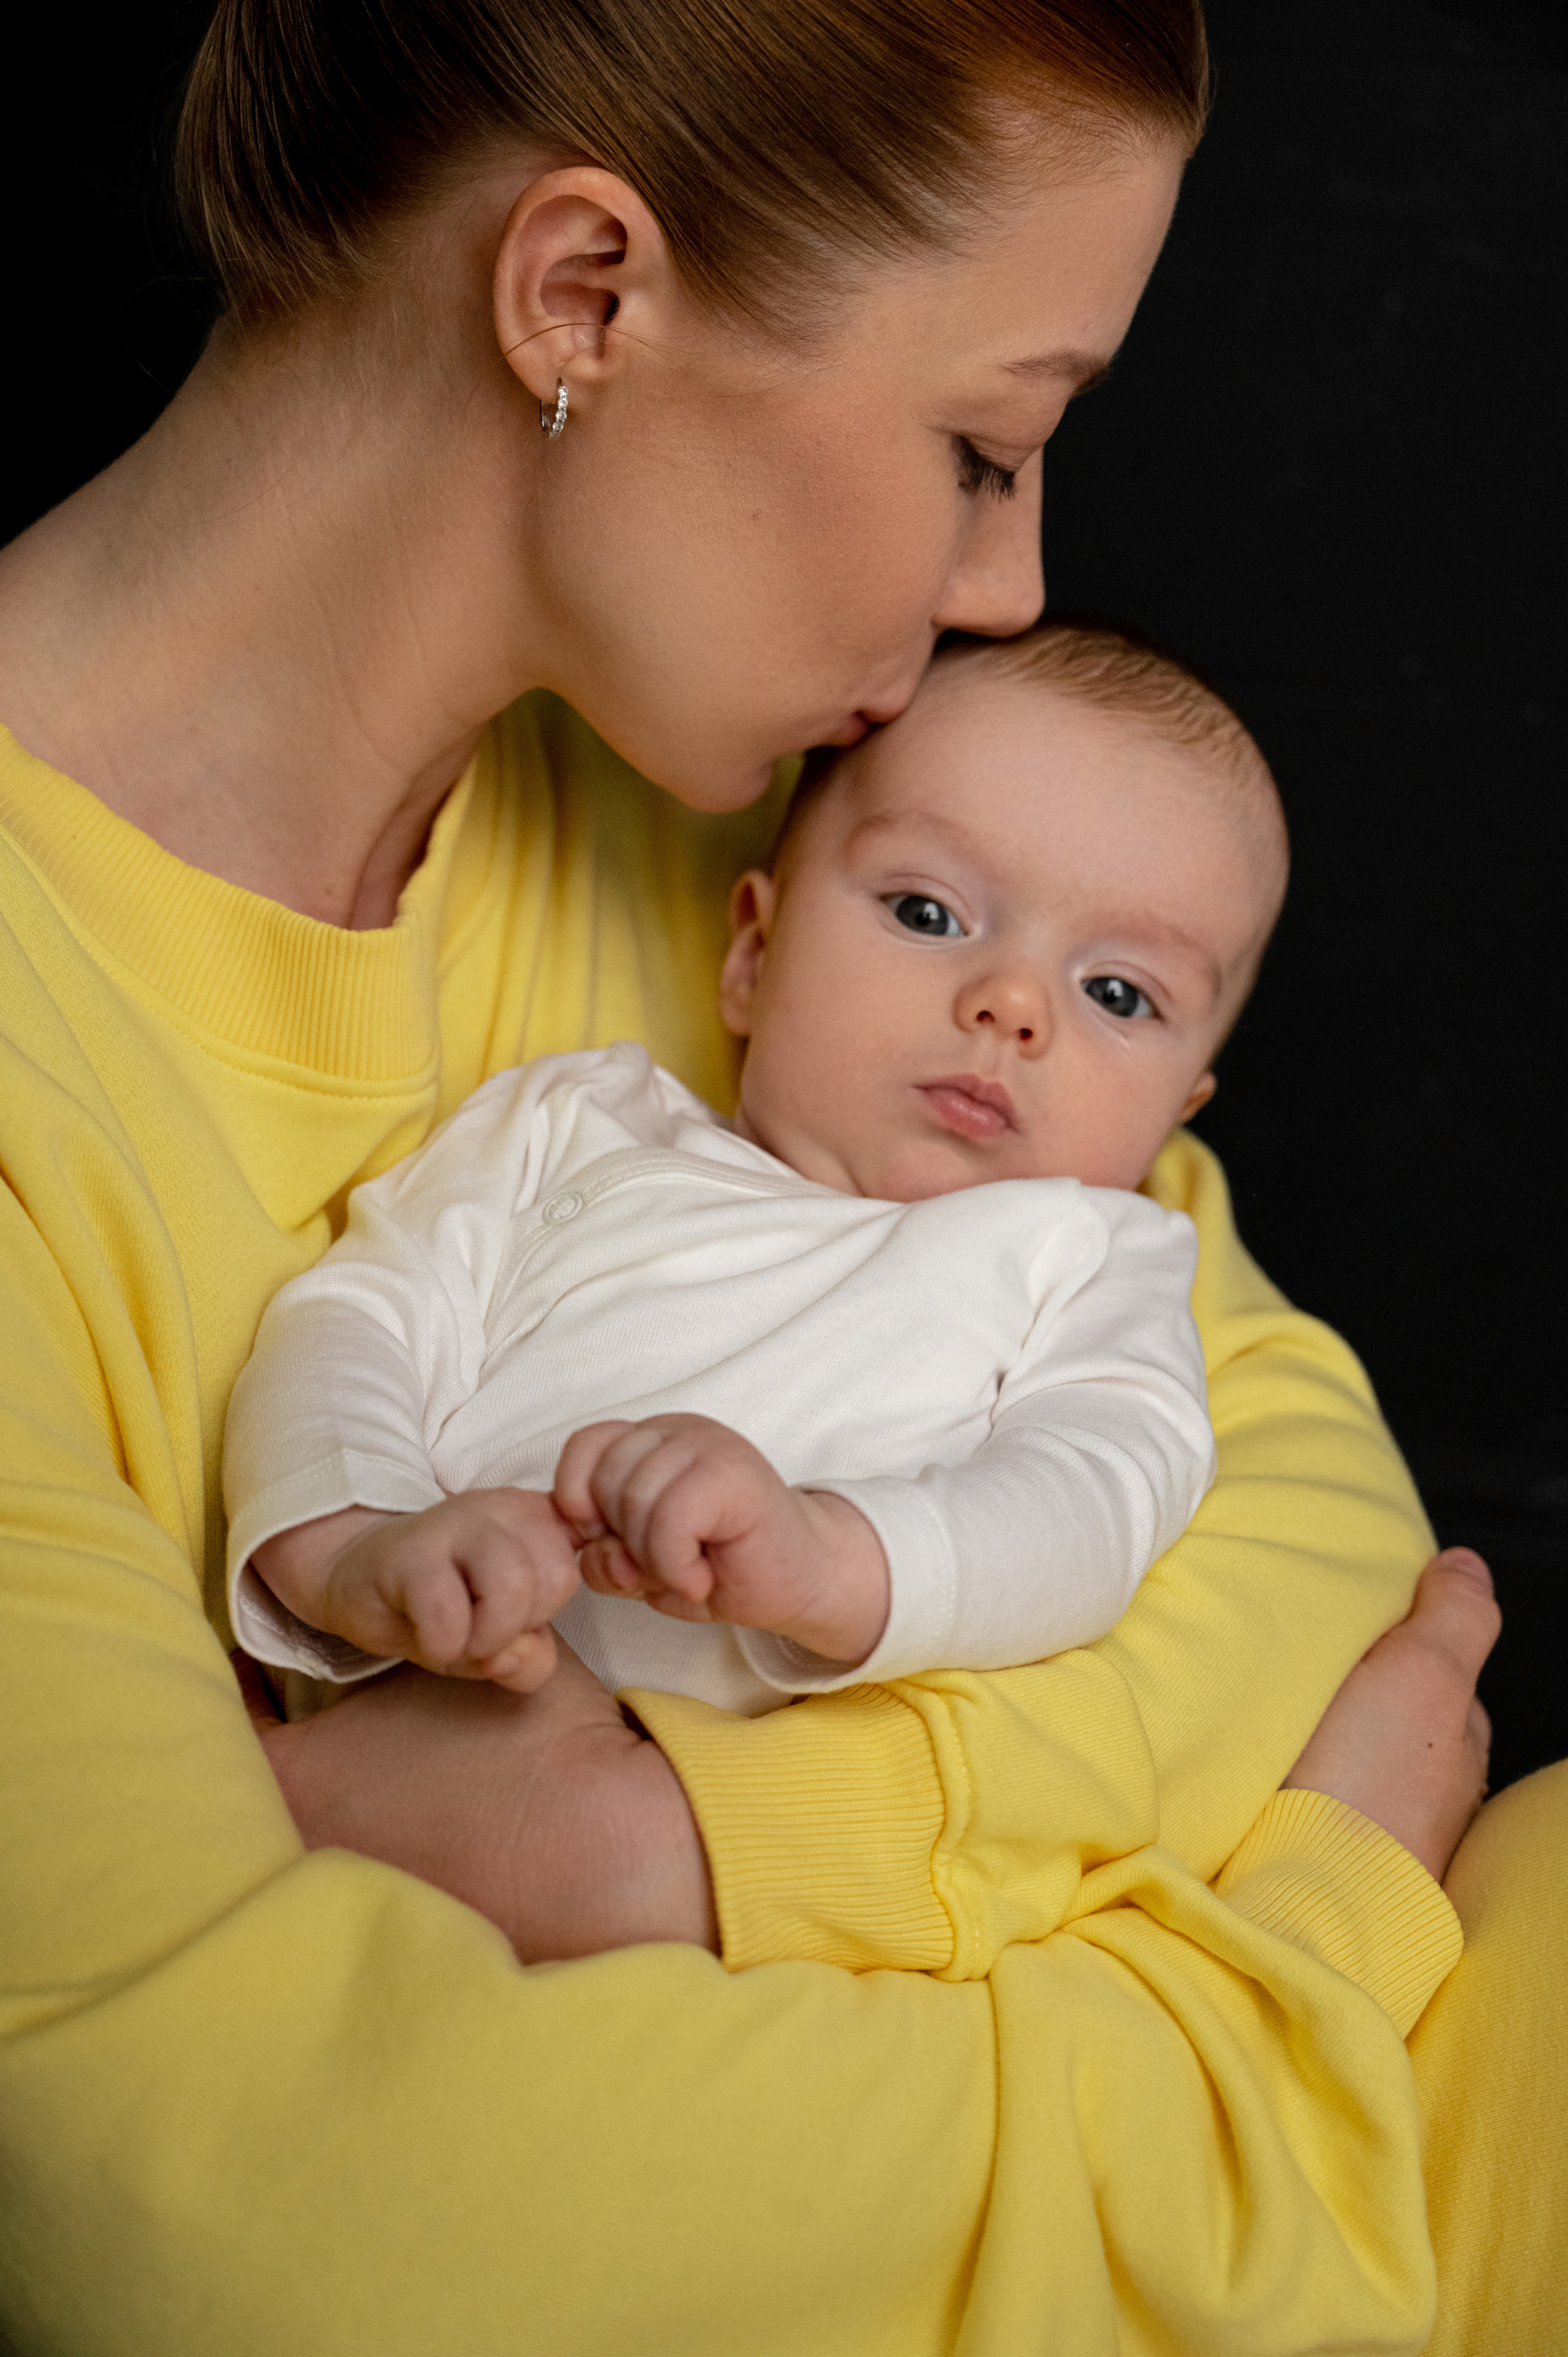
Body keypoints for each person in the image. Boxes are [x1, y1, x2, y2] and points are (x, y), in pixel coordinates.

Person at [0, 0, 1557, 2350]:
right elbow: (263, 2229)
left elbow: (1307, 1505)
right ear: (586, 297)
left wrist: (683, 1841)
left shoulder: (799, 817)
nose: (1017, 583)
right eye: (982, 443)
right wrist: (1310, 1952)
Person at [227, 623, 1276, 1727]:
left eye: (1119, 993)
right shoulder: (576, 1126)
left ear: (1177, 1118)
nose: (1012, 1006)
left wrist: (832, 1556)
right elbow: (355, 1326)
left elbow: (1096, 1502)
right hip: (399, 1714)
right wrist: (361, 1545)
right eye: (929, 914)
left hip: (739, 1843)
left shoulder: (1093, 1260)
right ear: (753, 957)